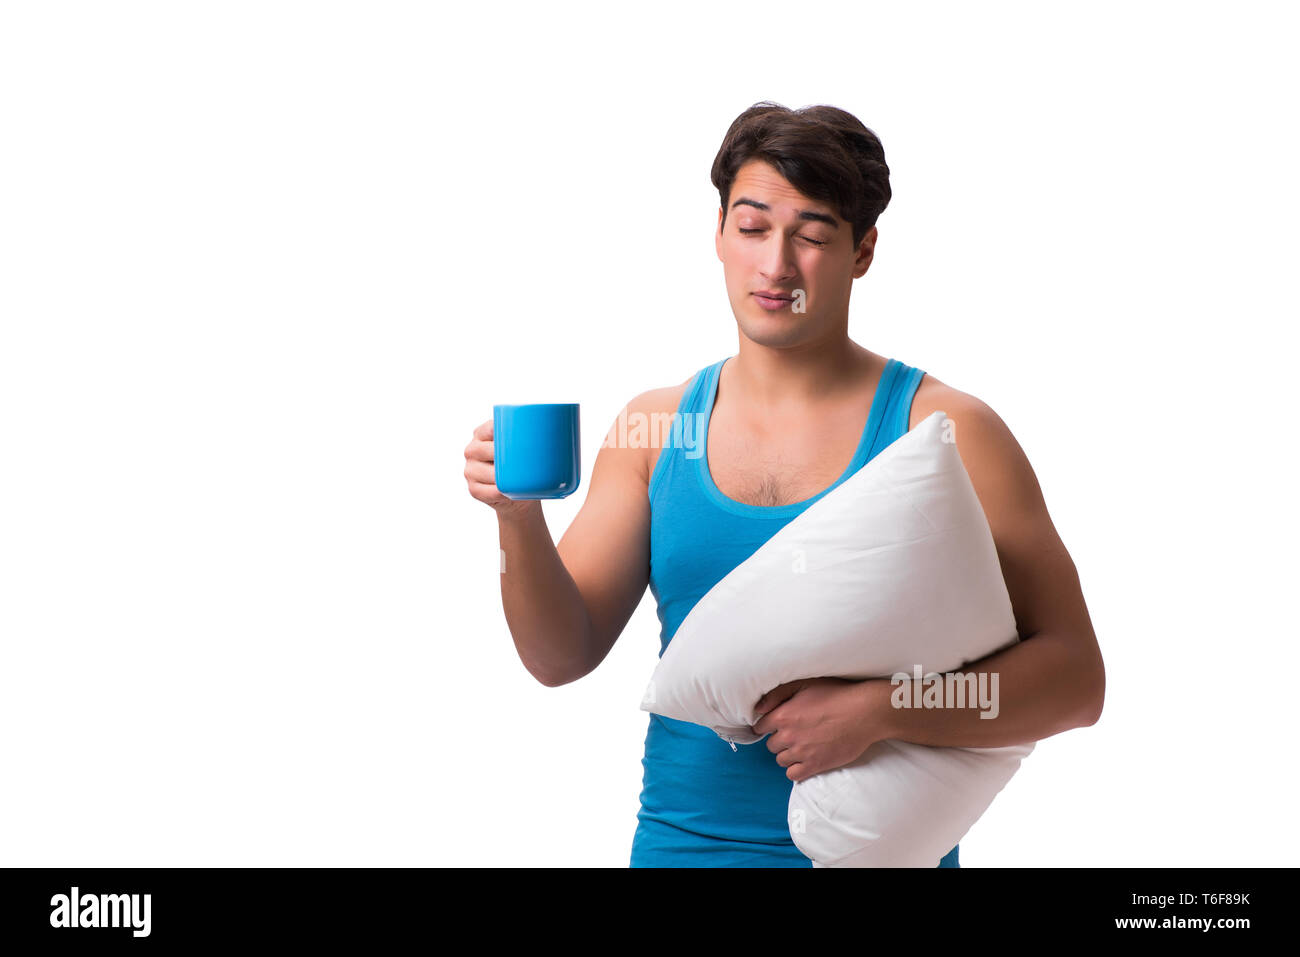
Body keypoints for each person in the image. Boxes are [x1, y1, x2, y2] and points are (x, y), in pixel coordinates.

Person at [463, 101, 1105, 867]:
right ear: (719, 235)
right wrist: (516, 518)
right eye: (753, 226)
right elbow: (559, 654)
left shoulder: (946, 432)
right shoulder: (658, 427)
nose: (775, 266)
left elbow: (1075, 676)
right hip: (680, 847)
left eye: (812, 234)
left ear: (863, 250)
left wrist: (884, 710)